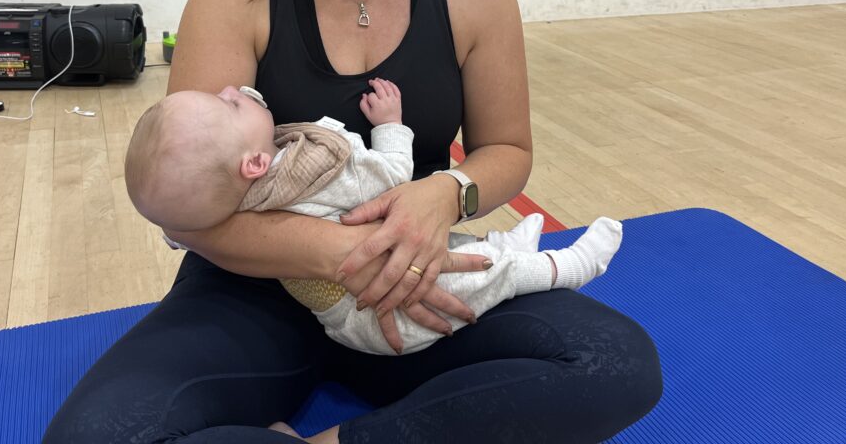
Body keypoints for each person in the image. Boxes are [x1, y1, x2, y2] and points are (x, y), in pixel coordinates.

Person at [44, 0, 661, 443]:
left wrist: (444, 192)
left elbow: (507, 152)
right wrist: (338, 255)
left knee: (615, 362)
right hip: (262, 288)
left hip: (418, 281)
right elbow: (187, 211)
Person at [123, 81, 624, 357]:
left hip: (342, 314)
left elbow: (179, 228)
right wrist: (391, 126)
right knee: (487, 274)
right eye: (230, 103)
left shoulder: (228, 197)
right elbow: (390, 179)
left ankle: (506, 245)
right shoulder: (311, 172)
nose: (234, 88)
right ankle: (568, 266)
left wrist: (449, 193)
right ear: (254, 163)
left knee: (609, 358)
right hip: (387, 312)